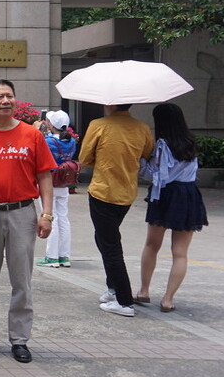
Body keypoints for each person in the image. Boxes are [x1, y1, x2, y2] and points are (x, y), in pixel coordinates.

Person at [0, 79, 55, 364]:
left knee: (21, 279)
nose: (6, 100)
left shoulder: (32, 135)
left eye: (10, 96)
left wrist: (46, 214)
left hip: (22, 213)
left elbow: (44, 176)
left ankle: (19, 339)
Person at [77, 103, 154, 318]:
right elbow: (147, 153)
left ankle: (124, 300)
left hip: (103, 191)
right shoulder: (142, 127)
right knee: (104, 238)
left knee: (110, 246)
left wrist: (102, 161)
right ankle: (112, 289)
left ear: (109, 103)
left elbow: (84, 158)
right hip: (127, 193)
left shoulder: (98, 125)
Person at [136, 103, 207, 313]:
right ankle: (168, 300)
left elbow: (153, 175)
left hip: (165, 195)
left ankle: (144, 291)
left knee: (152, 245)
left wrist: (141, 161)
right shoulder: (191, 144)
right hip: (188, 195)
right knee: (180, 253)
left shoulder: (162, 145)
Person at [37, 110, 77, 268]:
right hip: (64, 183)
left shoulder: (47, 141)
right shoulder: (71, 141)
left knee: (49, 217)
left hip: (49, 183)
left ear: (51, 124)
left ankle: (52, 257)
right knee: (63, 219)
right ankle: (64, 256)